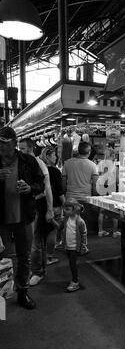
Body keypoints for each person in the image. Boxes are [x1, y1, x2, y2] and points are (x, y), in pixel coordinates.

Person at [0, 127, 45, 309]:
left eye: (4, 143)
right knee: (2, 257)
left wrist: (30, 188)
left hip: (24, 217)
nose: (1, 147)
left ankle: (22, 292)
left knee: (24, 256)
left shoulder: (28, 161)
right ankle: (2, 295)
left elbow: (40, 184)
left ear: (14, 143)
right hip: (1, 219)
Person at [19, 138, 54, 286]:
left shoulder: (38, 163)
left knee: (35, 242)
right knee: (33, 242)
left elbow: (47, 188)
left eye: (22, 149)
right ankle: (37, 269)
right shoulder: (23, 163)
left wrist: (50, 209)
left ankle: (38, 272)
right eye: (19, 148)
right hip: (27, 206)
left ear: (31, 148)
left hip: (38, 206)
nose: (19, 151)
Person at [39, 146, 65, 265]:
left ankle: (42, 256)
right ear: (48, 156)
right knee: (52, 231)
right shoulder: (54, 171)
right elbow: (59, 190)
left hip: (42, 203)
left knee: (42, 232)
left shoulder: (39, 168)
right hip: (54, 205)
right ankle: (49, 257)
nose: (56, 157)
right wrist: (65, 203)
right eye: (54, 155)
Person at [61, 198, 88, 292]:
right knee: (71, 264)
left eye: (67, 209)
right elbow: (61, 228)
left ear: (75, 209)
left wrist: (83, 245)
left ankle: (75, 282)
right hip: (68, 246)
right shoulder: (66, 219)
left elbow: (84, 234)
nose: (65, 211)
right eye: (64, 209)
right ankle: (74, 280)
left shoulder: (80, 221)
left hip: (74, 247)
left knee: (73, 264)